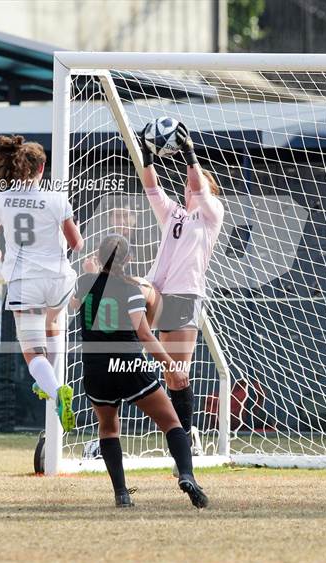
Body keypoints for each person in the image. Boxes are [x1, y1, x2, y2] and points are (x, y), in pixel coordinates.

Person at [71, 234, 208, 509]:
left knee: (108, 429)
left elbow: (73, 306)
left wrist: (90, 275)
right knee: (172, 423)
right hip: (127, 366)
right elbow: (144, 334)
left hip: (95, 369)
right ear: (130, 259)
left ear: (98, 257)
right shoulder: (132, 289)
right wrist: (172, 365)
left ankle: (121, 494)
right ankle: (186, 475)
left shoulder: (84, 283)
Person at [0, 134, 83, 432]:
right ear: (41, 168)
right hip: (59, 280)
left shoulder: (2, 199)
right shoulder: (57, 198)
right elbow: (78, 242)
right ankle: (52, 382)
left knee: (32, 352)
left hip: (26, 282)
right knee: (54, 328)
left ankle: (55, 390)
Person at [140, 122, 224, 463]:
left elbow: (198, 185)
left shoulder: (211, 214)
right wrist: (147, 153)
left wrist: (190, 154)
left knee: (175, 374)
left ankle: (185, 439)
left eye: (196, 187)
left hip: (184, 297)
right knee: (129, 288)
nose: (189, 190)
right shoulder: (175, 214)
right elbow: (152, 187)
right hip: (157, 291)